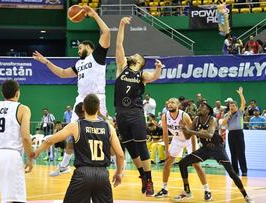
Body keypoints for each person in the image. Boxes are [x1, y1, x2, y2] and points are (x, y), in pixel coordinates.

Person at [33, 5, 110, 176]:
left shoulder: (97, 55)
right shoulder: (79, 63)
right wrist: (46, 62)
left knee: (101, 133)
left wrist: (94, 15)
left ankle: (103, 163)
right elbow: (61, 74)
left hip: (97, 98)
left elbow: (106, 33)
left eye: (79, 47)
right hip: (81, 100)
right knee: (71, 133)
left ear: (87, 47)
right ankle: (64, 165)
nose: (78, 50)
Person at [34, 94, 125, 203]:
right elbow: (120, 155)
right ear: (98, 108)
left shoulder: (75, 126)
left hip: (83, 173)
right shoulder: (109, 128)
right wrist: (119, 173)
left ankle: (63, 166)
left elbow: (50, 140)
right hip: (103, 174)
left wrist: (36, 151)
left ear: (83, 108)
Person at [114, 16, 163, 196]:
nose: (131, 54)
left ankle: (149, 181)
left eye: (135, 55)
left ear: (140, 61)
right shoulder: (121, 67)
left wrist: (158, 68)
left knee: (141, 147)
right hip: (120, 113)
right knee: (131, 148)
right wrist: (121, 25)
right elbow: (119, 45)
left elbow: (154, 77)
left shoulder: (142, 75)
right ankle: (142, 175)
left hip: (135, 113)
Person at [178, 103, 254, 203]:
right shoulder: (196, 120)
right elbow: (187, 136)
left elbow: (209, 135)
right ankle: (187, 191)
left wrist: (190, 131)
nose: (200, 108)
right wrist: (184, 129)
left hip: (217, 148)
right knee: (182, 163)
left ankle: (245, 195)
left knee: (232, 173)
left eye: (202, 107)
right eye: (199, 107)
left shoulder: (212, 119)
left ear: (208, 110)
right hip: (205, 148)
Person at [154, 98, 212, 201]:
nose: (170, 104)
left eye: (172, 102)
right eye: (169, 102)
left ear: (178, 105)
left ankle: (207, 190)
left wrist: (194, 150)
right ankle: (164, 189)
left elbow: (192, 133)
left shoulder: (184, 116)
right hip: (177, 140)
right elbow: (165, 134)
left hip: (189, 140)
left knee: (196, 165)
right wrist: (167, 150)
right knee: (167, 163)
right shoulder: (165, 116)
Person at [222, 87, 248, 176]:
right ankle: (235, 171)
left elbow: (244, 103)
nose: (231, 107)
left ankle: (244, 171)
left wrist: (241, 94)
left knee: (241, 152)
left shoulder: (239, 112)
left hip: (239, 133)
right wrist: (228, 116)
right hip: (231, 134)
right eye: (230, 106)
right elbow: (223, 124)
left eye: (233, 106)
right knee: (233, 153)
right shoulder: (227, 114)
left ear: (236, 107)